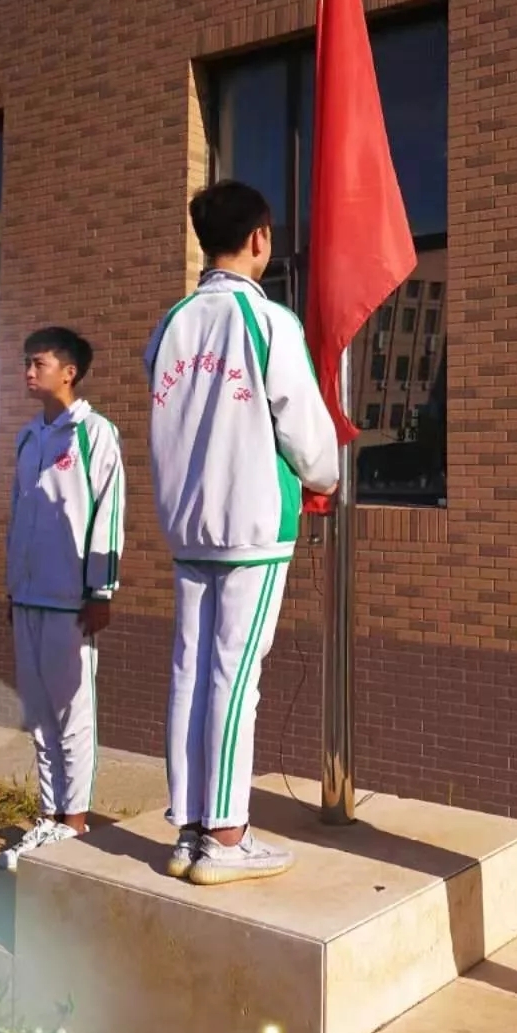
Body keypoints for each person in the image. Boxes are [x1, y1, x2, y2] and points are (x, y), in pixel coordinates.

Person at [146, 179, 339, 886]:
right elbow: (306, 432)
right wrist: (325, 475)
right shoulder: (267, 320)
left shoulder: (171, 324)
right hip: (252, 521)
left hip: (188, 523)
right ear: (261, 237)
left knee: (191, 671)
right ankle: (226, 836)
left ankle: (190, 829)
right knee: (234, 676)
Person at [0, 327, 126, 871]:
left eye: (39, 363)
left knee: (72, 714)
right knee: (38, 715)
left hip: (70, 601)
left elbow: (108, 513)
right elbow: (17, 515)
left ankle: (74, 822)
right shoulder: (28, 437)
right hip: (28, 597)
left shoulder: (95, 434)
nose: (29, 372)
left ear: (69, 372)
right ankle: (48, 817)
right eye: (27, 363)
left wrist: (101, 590)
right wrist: (13, 586)